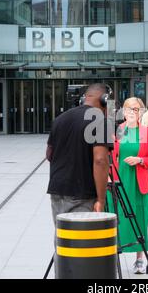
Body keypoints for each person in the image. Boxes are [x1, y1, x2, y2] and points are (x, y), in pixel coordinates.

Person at [46, 83, 113, 276]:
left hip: (57, 191)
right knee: (84, 249)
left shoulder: (60, 118)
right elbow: (100, 160)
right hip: (83, 193)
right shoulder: (100, 119)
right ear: (104, 100)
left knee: (64, 242)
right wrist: (101, 199)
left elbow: (49, 153)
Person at [107, 97, 148, 274]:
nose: (131, 112)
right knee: (117, 219)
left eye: (135, 109)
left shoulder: (147, 133)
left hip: (138, 183)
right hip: (119, 181)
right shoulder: (120, 130)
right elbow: (112, 155)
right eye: (129, 109)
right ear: (124, 111)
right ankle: (114, 256)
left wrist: (140, 160)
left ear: (141, 112)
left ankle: (139, 259)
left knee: (139, 219)